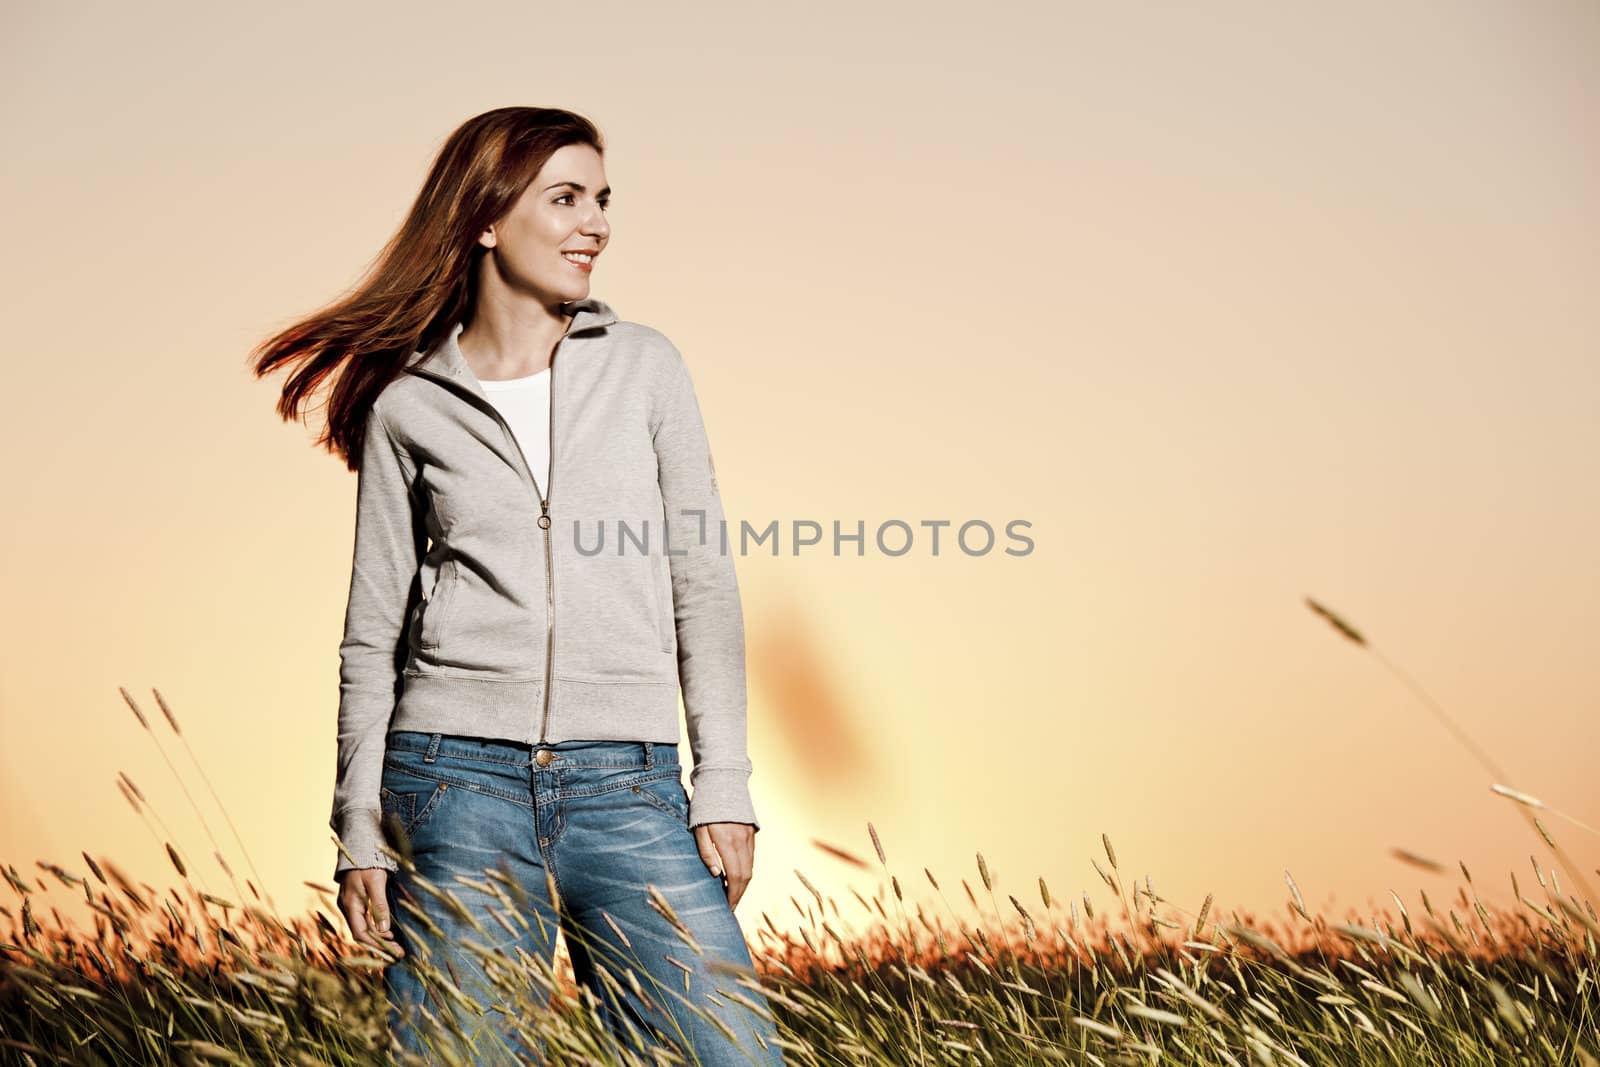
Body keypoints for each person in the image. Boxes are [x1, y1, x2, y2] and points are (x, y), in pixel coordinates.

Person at [252, 106, 785, 1066]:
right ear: (487, 218)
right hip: (455, 787)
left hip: (630, 785)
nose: (597, 225)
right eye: (567, 198)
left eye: (603, 201)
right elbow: (372, 635)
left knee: (735, 1053)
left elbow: (701, 580)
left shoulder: (646, 368)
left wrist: (726, 782)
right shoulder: (410, 406)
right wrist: (360, 830)